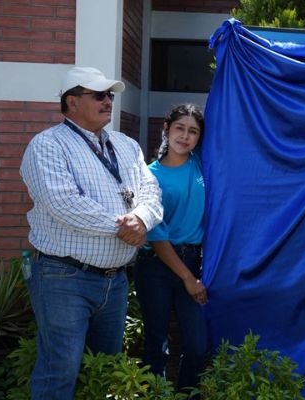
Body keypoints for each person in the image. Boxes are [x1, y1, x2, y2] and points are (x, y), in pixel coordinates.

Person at [20, 66, 163, 399]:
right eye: (98, 95)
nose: (108, 101)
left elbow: (151, 191)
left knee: (107, 371)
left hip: (114, 281)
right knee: (60, 370)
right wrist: (124, 227)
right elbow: (64, 204)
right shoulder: (47, 145)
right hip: (63, 277)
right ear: (72, 102)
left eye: (110, 95)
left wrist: (141, 219)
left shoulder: (126, 146)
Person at [134, 103, 209, 393]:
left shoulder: (202, 165)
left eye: (193, 131)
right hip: (156, 264)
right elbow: (157, 237)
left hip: (193, 259)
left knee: (197, 345)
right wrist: (189, 280)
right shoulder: (150, 176)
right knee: (157, 343)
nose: (185, 136)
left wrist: (192, 275)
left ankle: (186, 394)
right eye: (180, 128)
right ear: (166, 129)